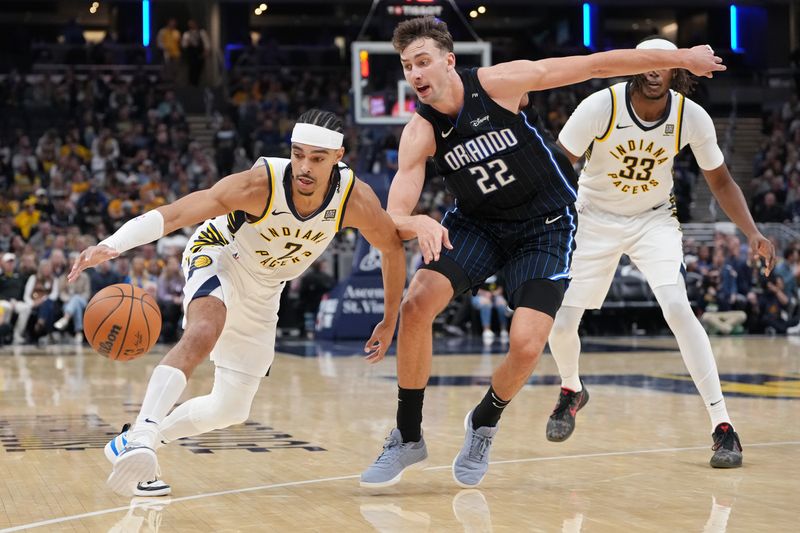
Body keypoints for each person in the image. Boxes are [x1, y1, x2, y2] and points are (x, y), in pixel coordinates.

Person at [360, 16, 726, 488]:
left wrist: (680, 58)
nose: (415, 73)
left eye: (423, 61)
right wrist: (420, 220)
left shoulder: (497, 85)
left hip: (545, 225)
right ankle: (408, 436)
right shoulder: (420, 131)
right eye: (408, 65)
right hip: (478, 226)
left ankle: (485, 422)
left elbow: (593, 64)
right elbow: (396, 215)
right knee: (416, 306)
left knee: (528, 343)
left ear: (449, 62)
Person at [68, 109, 406, 497]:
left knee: (230, 408)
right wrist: (112, 245)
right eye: (298, 154)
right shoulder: (261, 184)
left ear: (338, 156)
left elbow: (392, 247)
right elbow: (179, 212)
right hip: (221, 255)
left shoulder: (354, 199)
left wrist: (390, 315)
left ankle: (131, 444)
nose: (304, 167)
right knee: (204, 329)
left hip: (266, 287)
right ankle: (143, 431)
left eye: (317, 158)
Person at [545, 37, 776, 469]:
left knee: (677, 307)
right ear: (636, 65)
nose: (654, 70)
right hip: (594, 217)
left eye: (662, 64)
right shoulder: (601, 106)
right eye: (647, 62)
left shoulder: (692, 117)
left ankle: (722, 426)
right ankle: (572, 388)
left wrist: (752, 232)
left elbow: (722, 181)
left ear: (674, 70)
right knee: (561, 320)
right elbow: (559, 167)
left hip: (654, 219)